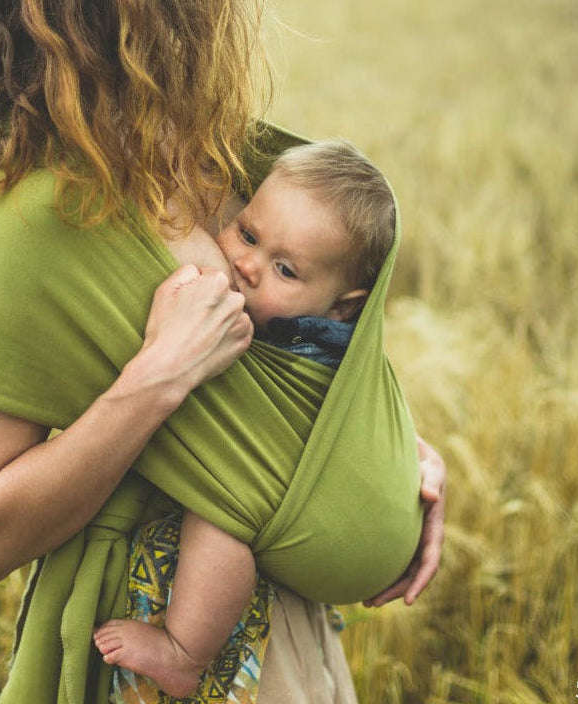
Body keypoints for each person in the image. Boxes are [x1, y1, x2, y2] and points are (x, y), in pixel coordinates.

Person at [0, 2, 446, 703]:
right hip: (146, 631)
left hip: (289, 637)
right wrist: (156, 378)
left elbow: (295, 356)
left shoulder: (209, 148)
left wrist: (385, 455)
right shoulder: (34, 217)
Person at [93, 139, 400, 697]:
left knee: (225, 514)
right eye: (248, 233)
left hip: (270, 513)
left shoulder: (311, 347)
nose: (246, 265)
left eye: (284, 269)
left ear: (342, 307)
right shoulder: (290, 303)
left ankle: (184, 652)